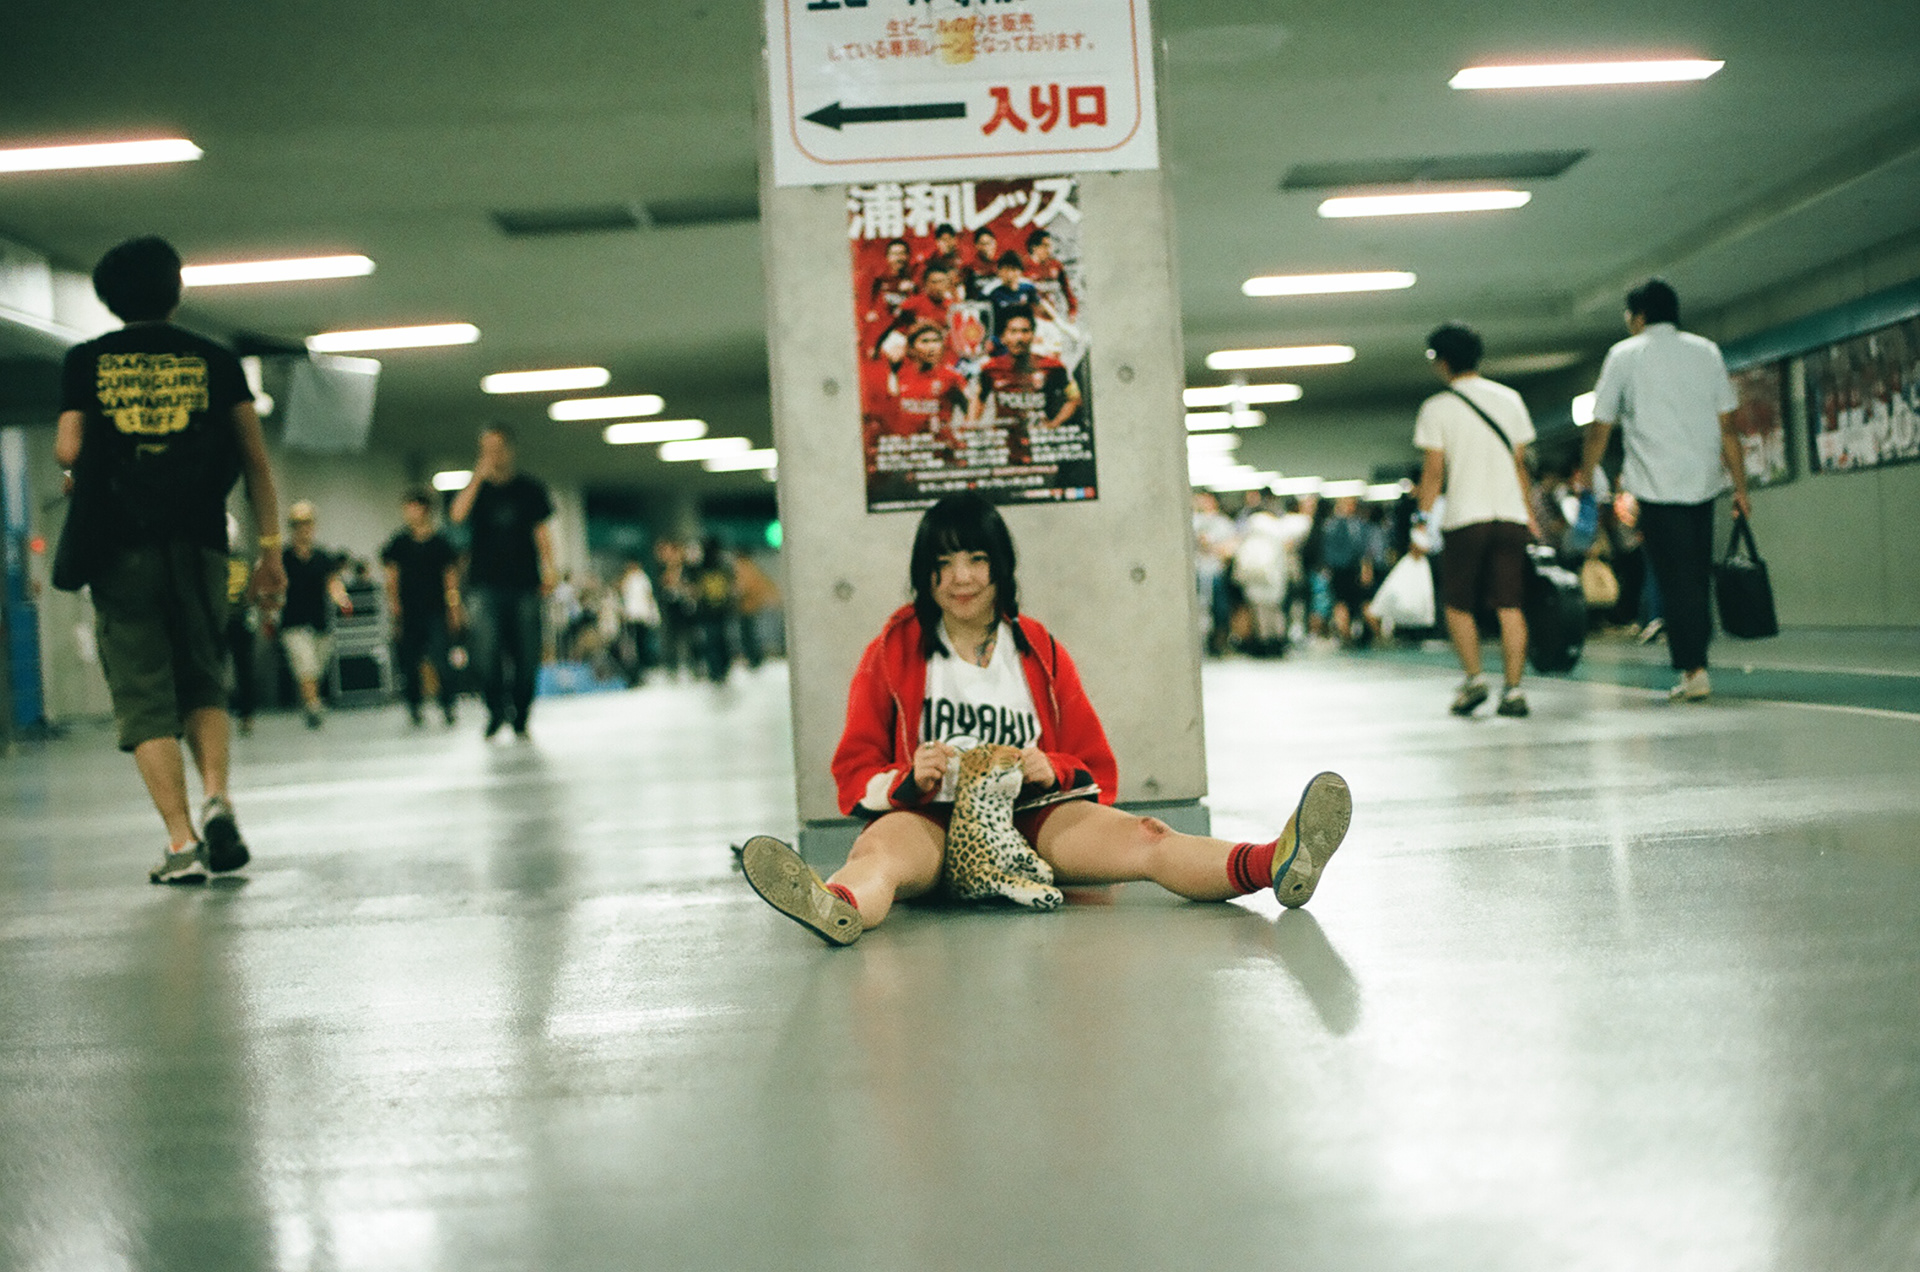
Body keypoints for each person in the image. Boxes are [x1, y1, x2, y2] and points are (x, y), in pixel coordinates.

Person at [737, 493, 1352, 947]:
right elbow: (853, 770)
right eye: (945, 562)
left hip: (1033, 822)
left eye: (977, 559)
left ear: (1000, 567)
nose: (961, 578)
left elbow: (1094, 764)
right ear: (926, 573)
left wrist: (1047, 767)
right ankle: (836, 906)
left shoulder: (1037, 647)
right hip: (930, 822)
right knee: (877, 855)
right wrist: (908, 777)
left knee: (1148, 838)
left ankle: (1275, 863)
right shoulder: (892, 651)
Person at [53, 235, 285, 884]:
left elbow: (69, 448)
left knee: (143, 693)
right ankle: (217, 799)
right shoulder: (216, 360)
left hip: (119, 546)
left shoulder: (86, 361)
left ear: (109, 299)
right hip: (201, 542)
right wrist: (269, 552)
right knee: (202, 675)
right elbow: (255, 462)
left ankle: (182, 844)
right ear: (175, 292)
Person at [1576, 279, 1750, 702]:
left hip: (1655, 487)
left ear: (1638, 316)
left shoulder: (1624, 354)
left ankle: (1694, 670)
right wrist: (1741, 487)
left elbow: (1600, 425)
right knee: (1695, 575)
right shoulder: (1706, 351)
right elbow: (1728, 427)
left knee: (1673, 579)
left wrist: (1587, 473)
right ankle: (1696, 663)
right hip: (1703, 483)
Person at [1415, 323, 1541, 717]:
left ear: (1442, 361)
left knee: (1458, 604)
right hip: (1510, 516)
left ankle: (1474, 680)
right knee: (1510, 604)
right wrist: (1529, 514)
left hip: (1465, 518)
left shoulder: (1436, 408)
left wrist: (1420, 523)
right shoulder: (1509, 399)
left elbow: (1433, 473)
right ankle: (1514, 691)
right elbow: (1520, 465)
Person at [449, 424, 555, 738]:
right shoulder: (476, 490)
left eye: (497, 449)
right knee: (485, 652)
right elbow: (457, 515)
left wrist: (549, 569)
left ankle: (521, 712)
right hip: (484, 586)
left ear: (510, 450)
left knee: (527, 654)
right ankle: (495, 710)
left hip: (525, 584)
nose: (492, 455)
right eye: (486, 450)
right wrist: (477, 478)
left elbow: (542, 533)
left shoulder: (530, 489)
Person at [380, 487, 462, 726]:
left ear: (424, 510)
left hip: (436, 610)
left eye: (412, 508)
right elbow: (392, 576)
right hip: (409, 611)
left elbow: (450, 577)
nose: (408, 513)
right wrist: (394, 605)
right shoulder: (399, 543)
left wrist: (454, 607)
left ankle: (447, 704)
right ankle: (414, 705)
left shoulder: (440, 543)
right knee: (409, 661)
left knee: (441, 659)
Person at [278, 500, 351, 729]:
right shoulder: (283, 558)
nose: (304, 529)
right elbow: (275, 589)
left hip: (319, 621)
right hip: (293, 622)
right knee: (305, 663)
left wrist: (342, 600)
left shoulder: (322, 557)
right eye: (299, 524)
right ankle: (313, 706)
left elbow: (333, 583)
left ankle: (311, 699)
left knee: (316, 667)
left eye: (308, 524)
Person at [615, 558, 659, 685]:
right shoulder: (628, 579)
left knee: (640, 644)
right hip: (631, 617)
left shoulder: (642, 578)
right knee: (632, 646)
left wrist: (650, 613)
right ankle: (634, 672)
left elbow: (648, 596)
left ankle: (642, 671)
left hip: (640, 616)